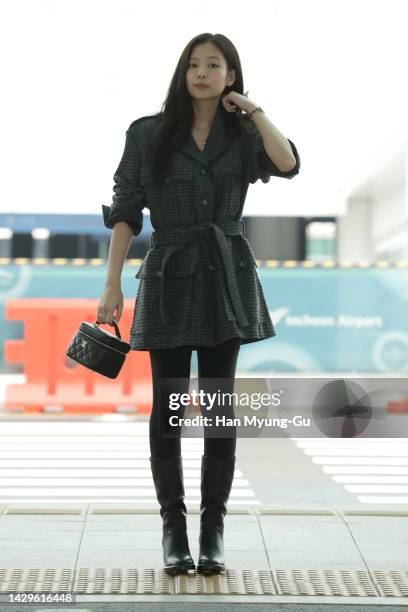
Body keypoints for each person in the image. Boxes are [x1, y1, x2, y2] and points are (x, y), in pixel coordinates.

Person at [97, 32, 300, 576]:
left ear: (231, 76)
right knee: (169, 405)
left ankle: (213, 530)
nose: (203, 73)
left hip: (224, 274)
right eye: (194, 64)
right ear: (182, 73)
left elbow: (287, 162)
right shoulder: (147, 133)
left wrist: (253, 109)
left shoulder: (242, 134)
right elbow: (125, 209)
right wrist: (112, 284)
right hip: (167, 272)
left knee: (217, 404)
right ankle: (173, 530)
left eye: (216, 65)